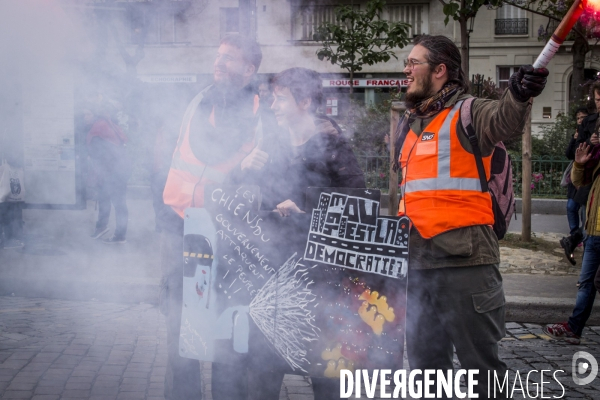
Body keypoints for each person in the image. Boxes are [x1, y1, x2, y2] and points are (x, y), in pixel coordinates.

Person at [394, 34, 548, 398]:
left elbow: (505, 121)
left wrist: (520, 94)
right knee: (426, 372)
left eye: (414, 62)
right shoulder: (411, 123)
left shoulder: (469, 111)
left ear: (440, 71)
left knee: (482, 371)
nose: (406, 69)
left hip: (466, 264)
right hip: (417, 266)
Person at [229, 67, 365, 400]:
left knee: (327, 375)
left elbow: (358, 204)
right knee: (262, 372)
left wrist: (306, 208)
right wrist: (241, 170)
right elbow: (237, 200)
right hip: (270, 279)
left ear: (304, 101)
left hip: (321, 280)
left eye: (280, 99)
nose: (272, 106)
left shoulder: (334, 146)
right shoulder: (272, 145)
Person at [159, 34, 263, 400]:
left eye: (229, 58)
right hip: (179, 225)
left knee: (227, 329)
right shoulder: (198, 101)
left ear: (248, 69)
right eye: (218, 55)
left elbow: (266, 183)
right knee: (180, 327)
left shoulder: (259, 114)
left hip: (229, 237)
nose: (219, 63)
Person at [544, 140, 600, 344]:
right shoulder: (596, 160)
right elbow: (578, 183)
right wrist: (579, 164)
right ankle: (574, 329)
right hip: (592, 232)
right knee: (586, 283)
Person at [85, 105, 131, 244]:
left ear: (94, 115)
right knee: (107, 200)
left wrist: (98, 174)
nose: (84, 118)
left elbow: (100, 155)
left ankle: (119, 235)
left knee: (117, 203)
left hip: (112, 173)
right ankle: (103, 228)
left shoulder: (99, 128)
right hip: (119, 171)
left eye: (86, 114)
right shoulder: (108, 126)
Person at [560, 107, 589, 265]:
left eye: (583, 117)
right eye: (578, 118)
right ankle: (574, 236)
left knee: (585, 215)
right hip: (575, 180)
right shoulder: (577, 135)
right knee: (571, 207)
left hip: (586, 180)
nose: (580, 121)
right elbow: (569, 154)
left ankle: (577, 239)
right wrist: (574, 138)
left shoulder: (591, 133)